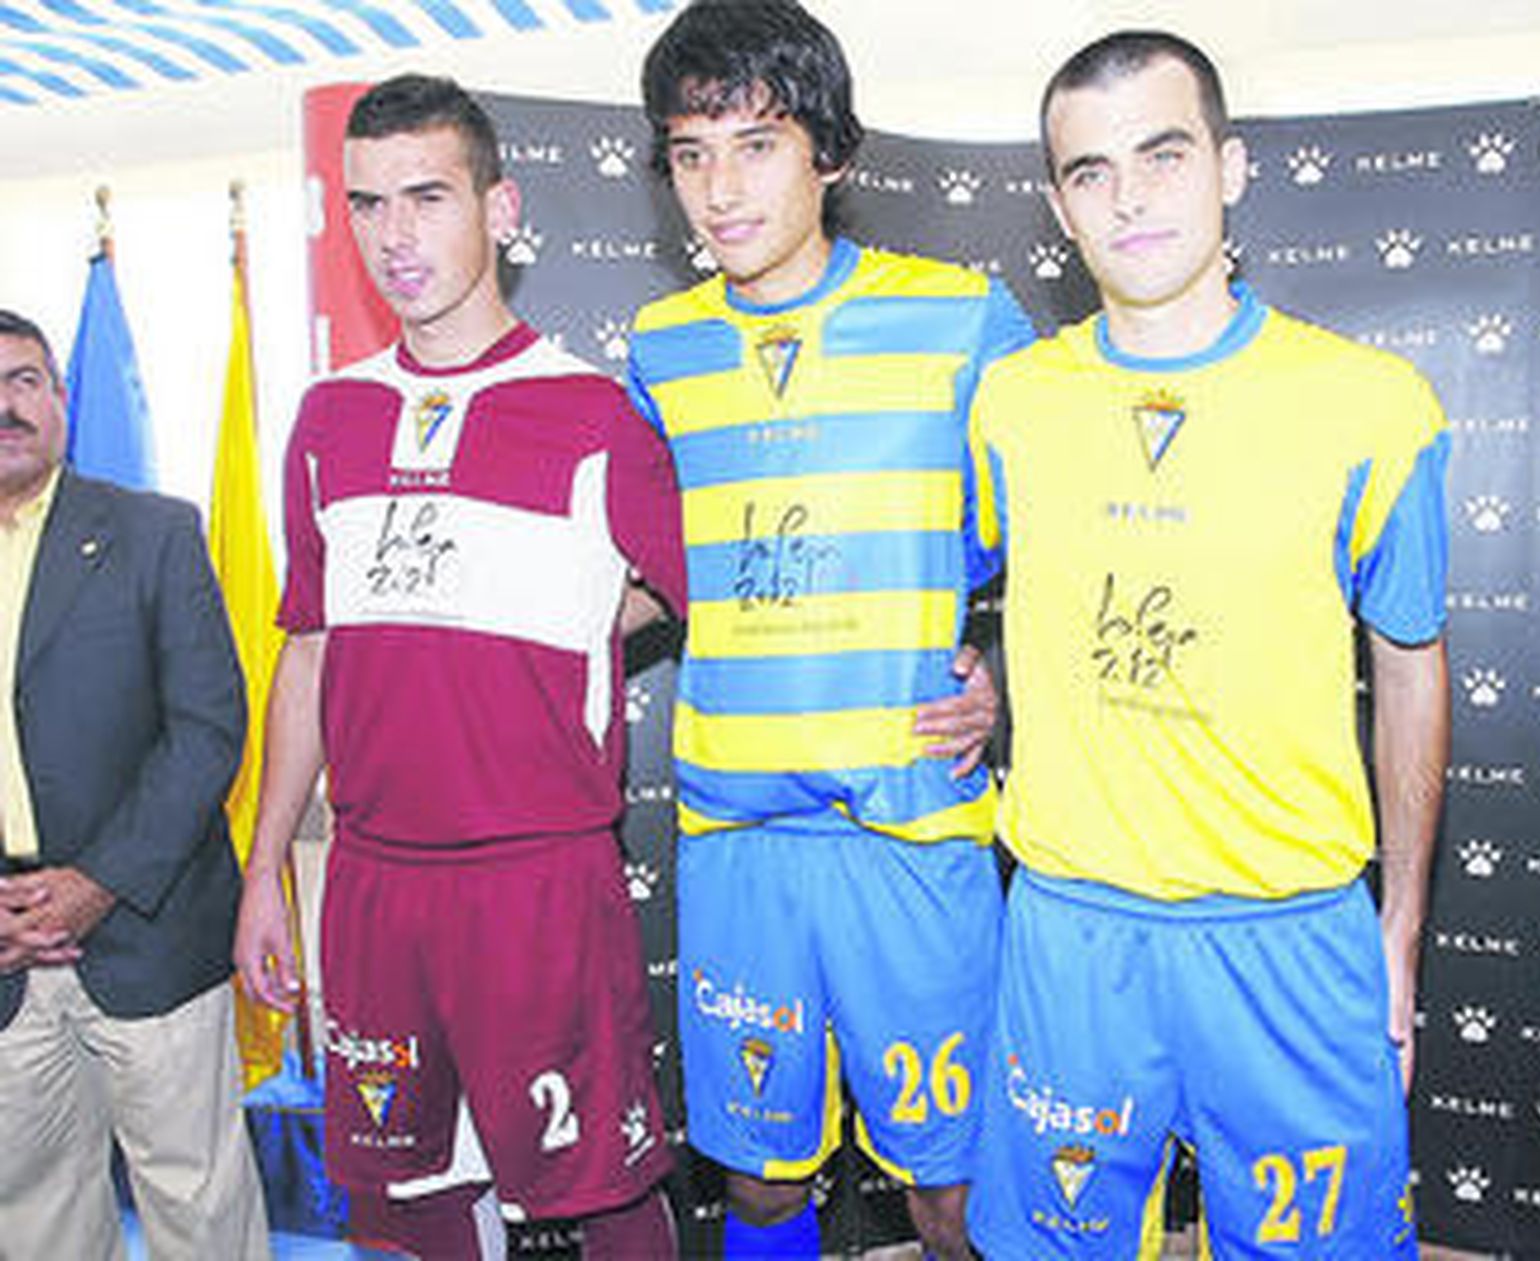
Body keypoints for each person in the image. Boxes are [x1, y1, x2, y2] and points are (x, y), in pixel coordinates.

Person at [965, 30, 1450, 1258]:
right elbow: (970, 599)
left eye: (1162, 155)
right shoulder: (1009, 402)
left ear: (1231, 168)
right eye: (1088, 171)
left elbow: (1409, 667)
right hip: (1071, 936)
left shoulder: (1370, 404)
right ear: (1057, 206)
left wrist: (1395, 937)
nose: (1127, 196)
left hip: (1288, 941)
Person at [232, 75, 685, 1259]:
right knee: (406, 1201)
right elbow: (313, 650)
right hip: (376, 885)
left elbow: (681, 604)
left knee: (601, 1190)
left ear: (501, 207)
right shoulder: (328, 418)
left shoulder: (593, 415)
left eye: (427, 197)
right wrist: (268, 864)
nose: (395, 236)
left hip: (539, 880)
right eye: (368, 203)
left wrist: (548, 625)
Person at [626, 3, 1035, 1256]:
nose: (718, 188)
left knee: (952, 1188)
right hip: (740, 843)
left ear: (832, 153)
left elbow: (1069, 545)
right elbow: (648, 571)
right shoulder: (659, 347)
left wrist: (1005, 675)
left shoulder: (964, 319)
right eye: (690, 153)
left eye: (754, 145)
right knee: (755, 1185)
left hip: (910, 834)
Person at [0, 309, 269, 1258]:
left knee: (199, 1208)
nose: (6, 404)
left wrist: (94, 884)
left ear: (63, 401)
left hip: (147, 929)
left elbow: (208, 731)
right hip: (5, 951)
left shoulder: (154, 533)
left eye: (26, 380)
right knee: (34, 1220)